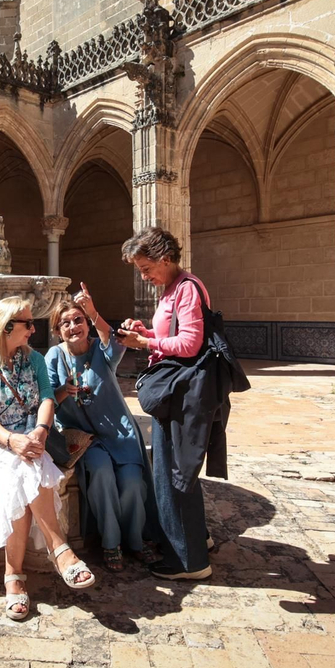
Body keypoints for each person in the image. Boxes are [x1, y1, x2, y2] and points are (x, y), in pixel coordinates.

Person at [0, 296, 96, 621]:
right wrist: (12, 440)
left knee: (26, 468)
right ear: (6, 327)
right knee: (19, 469)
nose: (33, 328)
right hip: (1, 442)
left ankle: (13, 576)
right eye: (28, 323)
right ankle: (60, 549)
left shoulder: (35, 359)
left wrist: (40, 430)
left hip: (35, 436)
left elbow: (45, 398)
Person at [117, 226, 226, 581]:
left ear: (165, 259)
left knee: (174, 472)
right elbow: (172, 337)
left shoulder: (187, 289)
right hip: (176, 391)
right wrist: (146, 334)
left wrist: (145, 345)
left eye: (146, 268)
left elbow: (191, 345)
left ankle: (188, 562)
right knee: (177, 470)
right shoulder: (172, 289)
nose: (144, 276)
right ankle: (196, 539)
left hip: (183, 396)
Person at [45, 284, 154, 572]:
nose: (73, 327)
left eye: (78, 320)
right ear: (58, 331)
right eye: (65, 323)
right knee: (102, 475)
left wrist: (93, 312)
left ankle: (136, 541)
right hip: (86, 440)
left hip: (120, 434)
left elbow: (112, 337)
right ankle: (111, 542)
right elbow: (46, 400)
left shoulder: (102, 351)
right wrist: (64, 392)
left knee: (132, 483)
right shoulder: (54, 357)